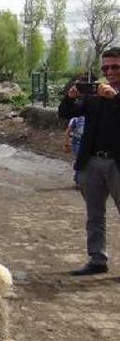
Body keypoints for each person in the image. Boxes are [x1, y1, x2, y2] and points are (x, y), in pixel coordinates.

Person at [58, 46, 120, 276]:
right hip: (92, 162)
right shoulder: (94, 94)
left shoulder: (110, 94)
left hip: (117, 163)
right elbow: (65, 113)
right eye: (106, 67)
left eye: (115, 67)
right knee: (95, 215)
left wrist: (115, 98)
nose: (110, 71)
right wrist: (70, 97)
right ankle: (97, 259)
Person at [64, 115, 85, 187]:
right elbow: (68, 131)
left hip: (87, 143)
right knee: (80, 159)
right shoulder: (75, 119)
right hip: (77, 142)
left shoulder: (91, 117)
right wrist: (67, 144)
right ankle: (78, 180)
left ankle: (78, 178)